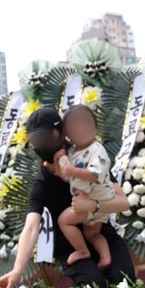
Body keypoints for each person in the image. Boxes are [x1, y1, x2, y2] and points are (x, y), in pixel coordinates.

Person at [0, 107, 135, 288]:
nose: (42, 144)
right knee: (93, 286)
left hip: (99, 232)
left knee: (124, 281)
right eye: (36, 140)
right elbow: (31, 228)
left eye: (46, 137)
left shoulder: (87, 157)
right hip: (70, 247)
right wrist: (17, 271)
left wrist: (93, 205)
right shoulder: (42, 182)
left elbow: (122, 202)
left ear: (62, 133)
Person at [54, 105, 115, 267]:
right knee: (92, 233)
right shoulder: (73, 152)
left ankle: (82, 251)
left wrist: (73, 170)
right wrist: (58, 163)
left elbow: (95, 175)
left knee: (64, 221)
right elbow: (67, 177)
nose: (81, 130)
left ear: (95, 128)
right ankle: (105, 257)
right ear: (67, 134)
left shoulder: (97, 149)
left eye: (85, 125)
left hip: (96, 198)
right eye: (76, 127)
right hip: (90, 201)